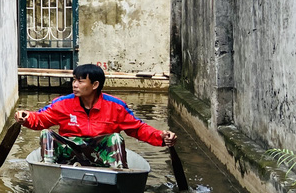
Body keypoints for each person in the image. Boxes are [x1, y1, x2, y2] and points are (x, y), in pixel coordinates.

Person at [15, 63, 176, 168]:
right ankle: (48, 172)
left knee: (115, 138)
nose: (75, 85)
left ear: (95, 85)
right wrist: (26, 117)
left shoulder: (116, 106)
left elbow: (138, 128)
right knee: (47, 134)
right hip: (71, 151)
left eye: (80, 81)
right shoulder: (63, 103)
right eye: (74, 80)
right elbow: (41, 119)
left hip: (99, 154)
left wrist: (161, 136)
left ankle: (117, 176)